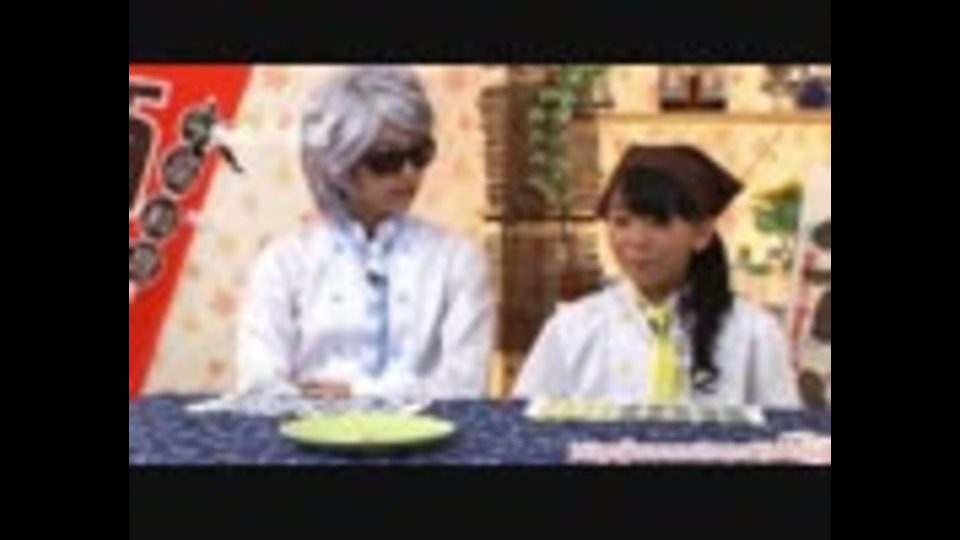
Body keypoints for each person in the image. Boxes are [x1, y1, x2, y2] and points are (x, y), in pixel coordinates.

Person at [235, 66, 495, 400]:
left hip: (430, 433)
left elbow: (466, 386)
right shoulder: (285, 263)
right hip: (307, 431)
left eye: (419, 154)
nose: (409, 172)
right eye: (386, 159)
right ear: (338, 162)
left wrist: (358, 393)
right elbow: (259, 383)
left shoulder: (457, 259)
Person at [513, 144, 800, 408]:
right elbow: (523, 427)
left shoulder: (754, 334)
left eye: (658, 223)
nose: (637, 240)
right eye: (622, 222)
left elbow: (787, 435)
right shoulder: (572, 329)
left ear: (702, 233)